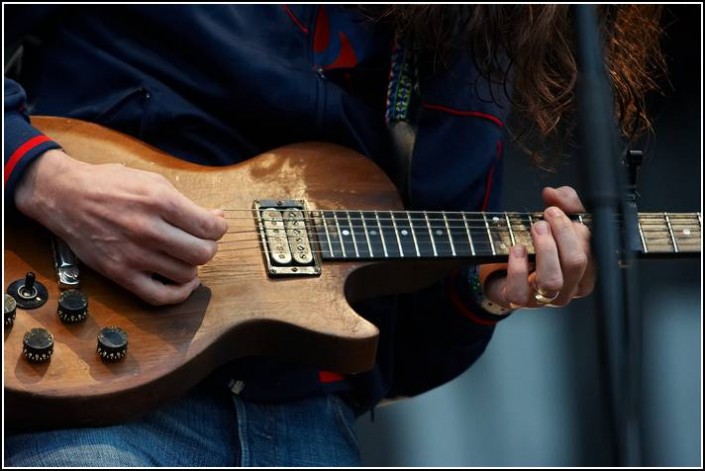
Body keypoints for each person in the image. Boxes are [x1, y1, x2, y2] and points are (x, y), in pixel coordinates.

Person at [3, 5, 664, 467]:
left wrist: (487, 294)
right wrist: (41, 175)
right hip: (91, 402)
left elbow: (398, 352)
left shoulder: (464, 41)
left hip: (307, 426)